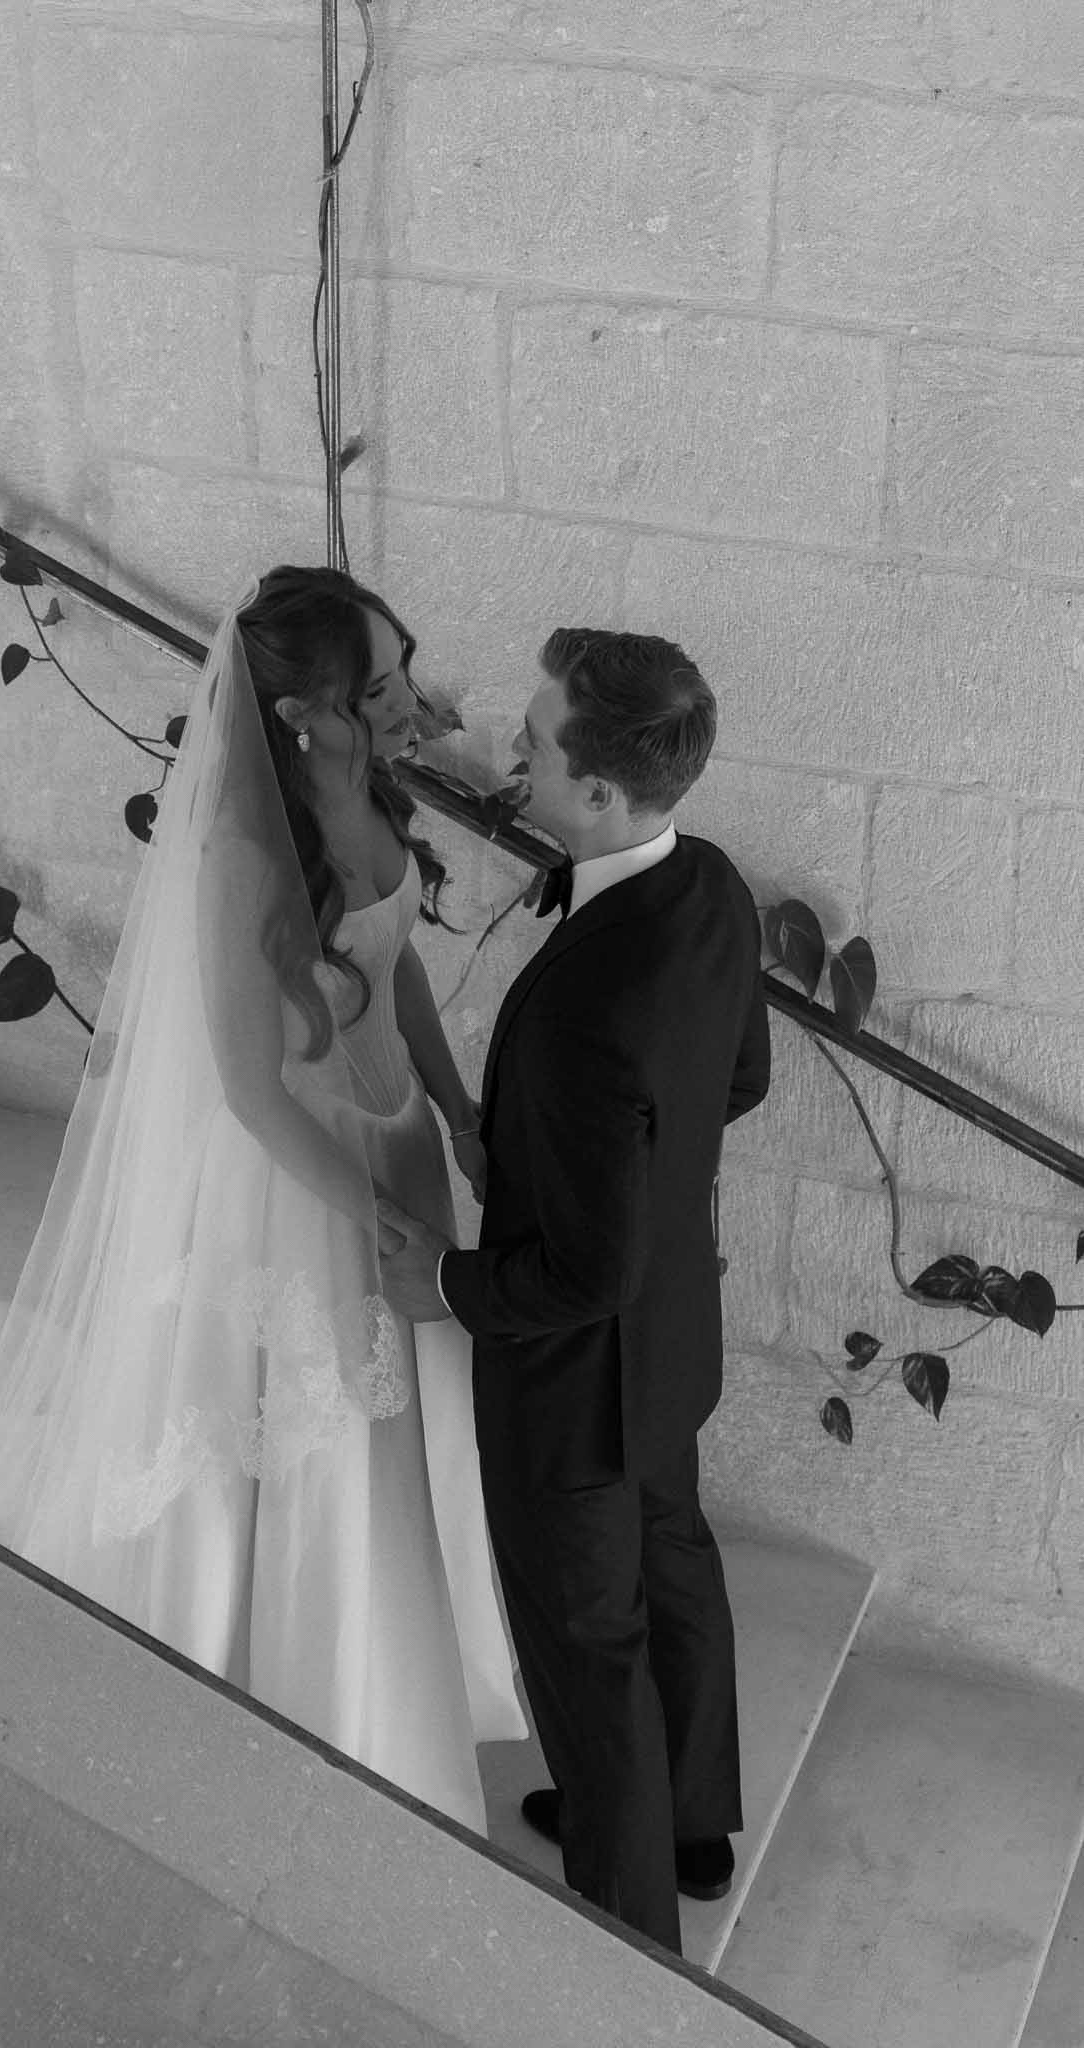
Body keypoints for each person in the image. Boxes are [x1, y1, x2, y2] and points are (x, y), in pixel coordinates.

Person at [0, 567, 526, 1832]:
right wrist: (375, 1219)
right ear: (307, 705)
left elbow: (392, 957)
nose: (403, 704)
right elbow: (253, 1093)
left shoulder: (366, 786)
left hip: (398, 1140)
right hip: (300, 1177)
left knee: (394, 1424)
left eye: (392, 675)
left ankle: (394, 1644)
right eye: (374, 686)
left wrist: (456, 1106)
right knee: (288, 1420)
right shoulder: (239, 850)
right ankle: (293, 1675)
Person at [379, 627, 771, 1952]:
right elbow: (739, 1083)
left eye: (536, 743)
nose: (511, 754)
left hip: (579, 1391)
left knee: (589, 1654)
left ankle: (629, 1950)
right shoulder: (711, 887)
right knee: (672, 1559)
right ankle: (696, 1827)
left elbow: (588, 1270)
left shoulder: (597, 1000)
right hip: (675, 1353)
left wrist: (443, 1278)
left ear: (599, 792)